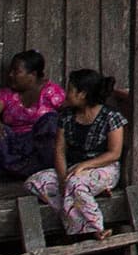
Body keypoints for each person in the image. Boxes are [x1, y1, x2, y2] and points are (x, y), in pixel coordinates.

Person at [25, 67, 127, 238]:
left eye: (70, 90)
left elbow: (114, 153)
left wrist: (84, 166)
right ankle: (77, 210)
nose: (66, 93)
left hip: (104, 168)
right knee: (35, 183)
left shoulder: (111, 116)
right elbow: (59, 150)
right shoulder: (66, 117)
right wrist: (62, 177)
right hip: (73, 170)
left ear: (82, 94)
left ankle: (96, 228)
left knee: (75, 184)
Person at [0, 50, 66, 180]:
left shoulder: (51, 91)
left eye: (16, 72)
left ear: (32, 75)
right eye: (11, 71)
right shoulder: (7, 93)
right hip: (15, 145)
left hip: (39, 147)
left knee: (50, 121)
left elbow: (67, 115)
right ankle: (4, 172)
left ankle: (44, 169)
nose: (11, 75)